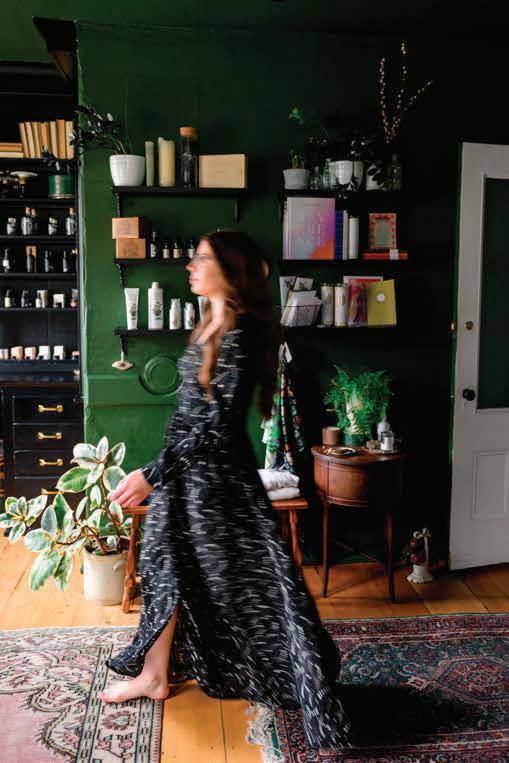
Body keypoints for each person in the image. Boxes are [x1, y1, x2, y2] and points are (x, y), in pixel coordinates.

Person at [99, 230, 352, 751]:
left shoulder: (237, 336)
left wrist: (152, 472)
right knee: (165, 567)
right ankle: (154, 675)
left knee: (251, 587)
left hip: (216, 484)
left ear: (229, 269)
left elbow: (215, 429)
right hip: (186, 473)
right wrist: (164, 471)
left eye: (202, 258)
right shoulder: (209, 324)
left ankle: (303, 680)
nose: (190, 265)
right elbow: (191, 415)